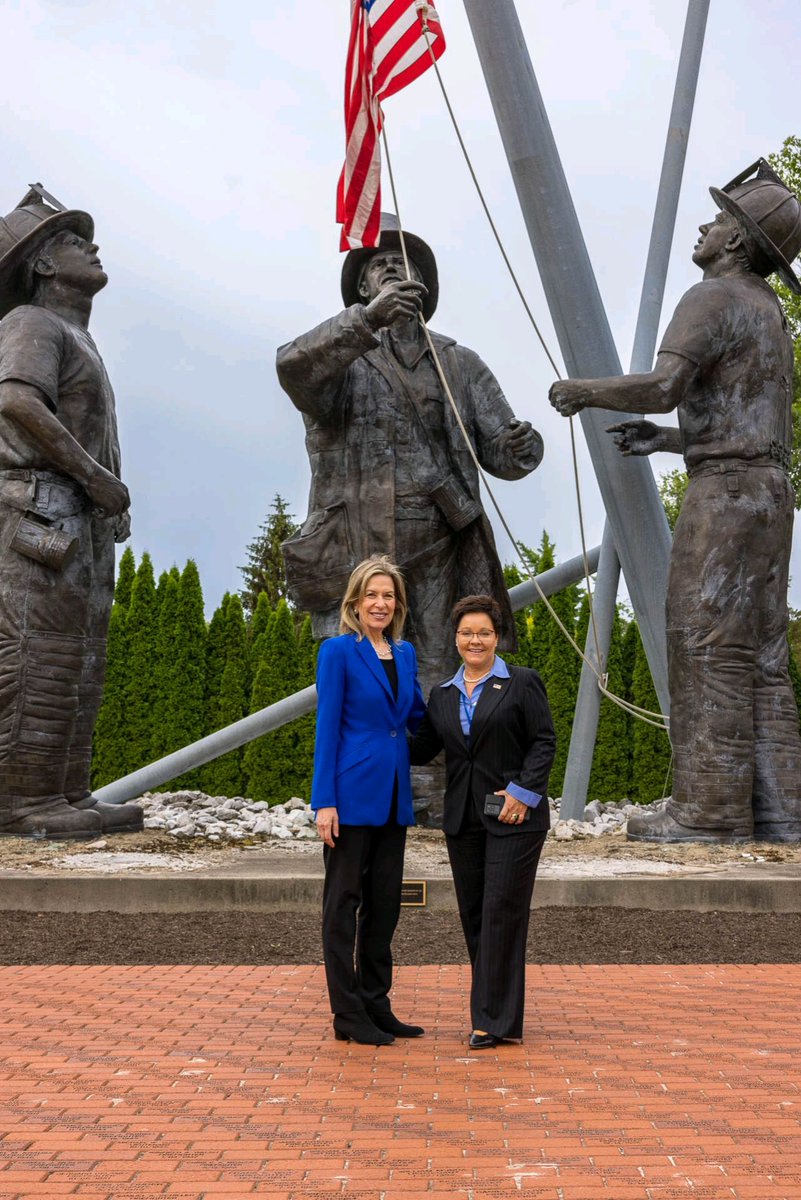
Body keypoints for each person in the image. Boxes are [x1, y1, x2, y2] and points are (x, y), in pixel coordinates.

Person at [549, 159, 801, 844]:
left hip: (722, 498)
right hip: (770, 495)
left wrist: (586, 390)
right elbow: (739, 414)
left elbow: (664, 384)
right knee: (762, 655)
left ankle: (709, 812)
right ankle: (781, 815)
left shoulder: (711, 297)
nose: (704, 225)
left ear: (738, 242)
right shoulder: (769, 312)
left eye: (719, 218)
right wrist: (667, 439)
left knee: (704, 641)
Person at [276, 213, 543, 709]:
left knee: (441, 666)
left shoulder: (459, 362)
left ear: (422, 284)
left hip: (441, 541)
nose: (396, 269)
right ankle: (376, 781)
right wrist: (368, 320)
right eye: (382, 264)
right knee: (367, 672)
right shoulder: (342, 355)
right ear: (362, 284)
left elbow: (501, 451)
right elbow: (291, 367)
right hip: (359, 541)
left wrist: (521, 446)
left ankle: (431, 781)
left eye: (405, 264)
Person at [0, 186, 142, 839]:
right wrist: (95, 477)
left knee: (82, 656)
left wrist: (103, 497)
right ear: (45, 265)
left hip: (79, 520)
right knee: (41, 654)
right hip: (43, 515)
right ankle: (23, 802)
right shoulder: (33, 323)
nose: (91, 245)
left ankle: (66, 793)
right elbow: (18, 405)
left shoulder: (76, 335)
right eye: (72, 239)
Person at [410, 594, 555, 1048]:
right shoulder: (443, 694)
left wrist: (522, 792)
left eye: (485, 632)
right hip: (463, 821)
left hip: (515, 818)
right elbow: (421, 749)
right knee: (475, 915)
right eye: (467, 632)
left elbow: (544, 741)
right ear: (456, 638)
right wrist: (379, 722)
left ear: (498, 637)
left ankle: (492, 1020)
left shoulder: (522, 683)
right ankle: (495, 1008)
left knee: (500, 912)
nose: (476, 640)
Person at [312, 555, 426, 1045]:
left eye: (388, 596)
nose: (380, 603)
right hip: (350, 797)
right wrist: (324, 802)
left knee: (384, 907)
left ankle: (376, 1003)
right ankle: (347, 1014)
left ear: (397, 604)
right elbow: (327, 728)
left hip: (395, 797)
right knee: (343, 906)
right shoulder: (338, 652)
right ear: (355, 603)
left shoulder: (404, 654)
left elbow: (417, 717)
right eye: (371, 595)